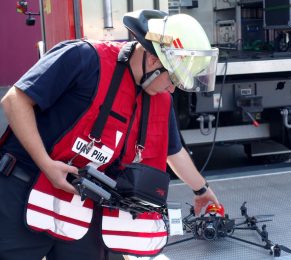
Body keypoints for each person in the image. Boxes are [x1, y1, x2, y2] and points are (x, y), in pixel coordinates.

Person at [0, 9, 220, 260]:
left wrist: (202, 190)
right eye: (172, 79)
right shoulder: (83, 58)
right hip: (22, 189)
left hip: (81, 209)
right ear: (153, 59)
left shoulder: (159, 97)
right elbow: (14, 101)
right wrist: (46, 164)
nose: (172, 88)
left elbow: (173, 150)